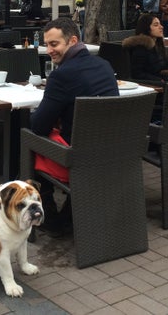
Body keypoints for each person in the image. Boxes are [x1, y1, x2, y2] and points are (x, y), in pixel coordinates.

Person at [30, 17, 119, 233]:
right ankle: (70, 213)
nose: (49, 50)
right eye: (46, 44)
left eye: (54, 44)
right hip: (115, 154)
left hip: (77, 158)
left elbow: (38, 127)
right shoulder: (104, 65)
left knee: (25, 138)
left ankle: (48, 217)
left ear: (72, 41)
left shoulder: (62, 75)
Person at [122, 13, 168, 83]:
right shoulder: (140, 47)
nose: (161, 27)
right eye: (156, 25)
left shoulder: (159, 44)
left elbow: (166, 66)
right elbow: (137, 73)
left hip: (165, 82)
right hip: (152, 85)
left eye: (160, 24)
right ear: (146, 28)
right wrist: (159, 80)